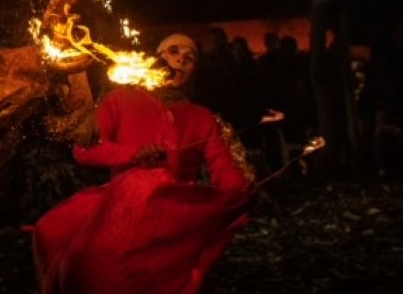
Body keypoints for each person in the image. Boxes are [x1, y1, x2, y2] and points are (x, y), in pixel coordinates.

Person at [30, 33, 255, 293]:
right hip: (120, 215)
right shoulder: (120, 99)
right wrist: (134, 154)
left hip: (173, 224)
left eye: (190, 57)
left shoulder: (202, 117)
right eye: (174, 51)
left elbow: (226, 173)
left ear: (193, 70)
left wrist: (238, 196)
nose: (182, 58)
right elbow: (85, 150)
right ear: (154, 59)